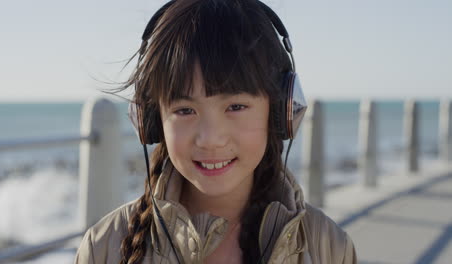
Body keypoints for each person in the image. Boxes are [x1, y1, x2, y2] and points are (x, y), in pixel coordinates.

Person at [74, 0, 357, 263]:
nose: (210, 139)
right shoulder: (105, 247)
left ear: (279, 111)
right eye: (185, 110)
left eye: (235, 106)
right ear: (151, 119)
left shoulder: (327, 246)